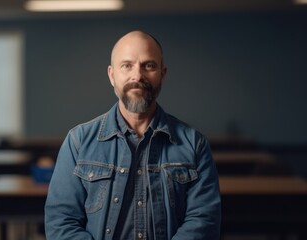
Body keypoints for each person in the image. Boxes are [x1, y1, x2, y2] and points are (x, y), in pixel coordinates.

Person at [45, 30, 221, 240]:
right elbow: (61, 222)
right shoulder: (77, 142)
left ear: (162, 74)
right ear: (112, 75)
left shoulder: (195, 145)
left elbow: (204, 221)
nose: (137, 76)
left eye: (149, 65)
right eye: (127, 65)